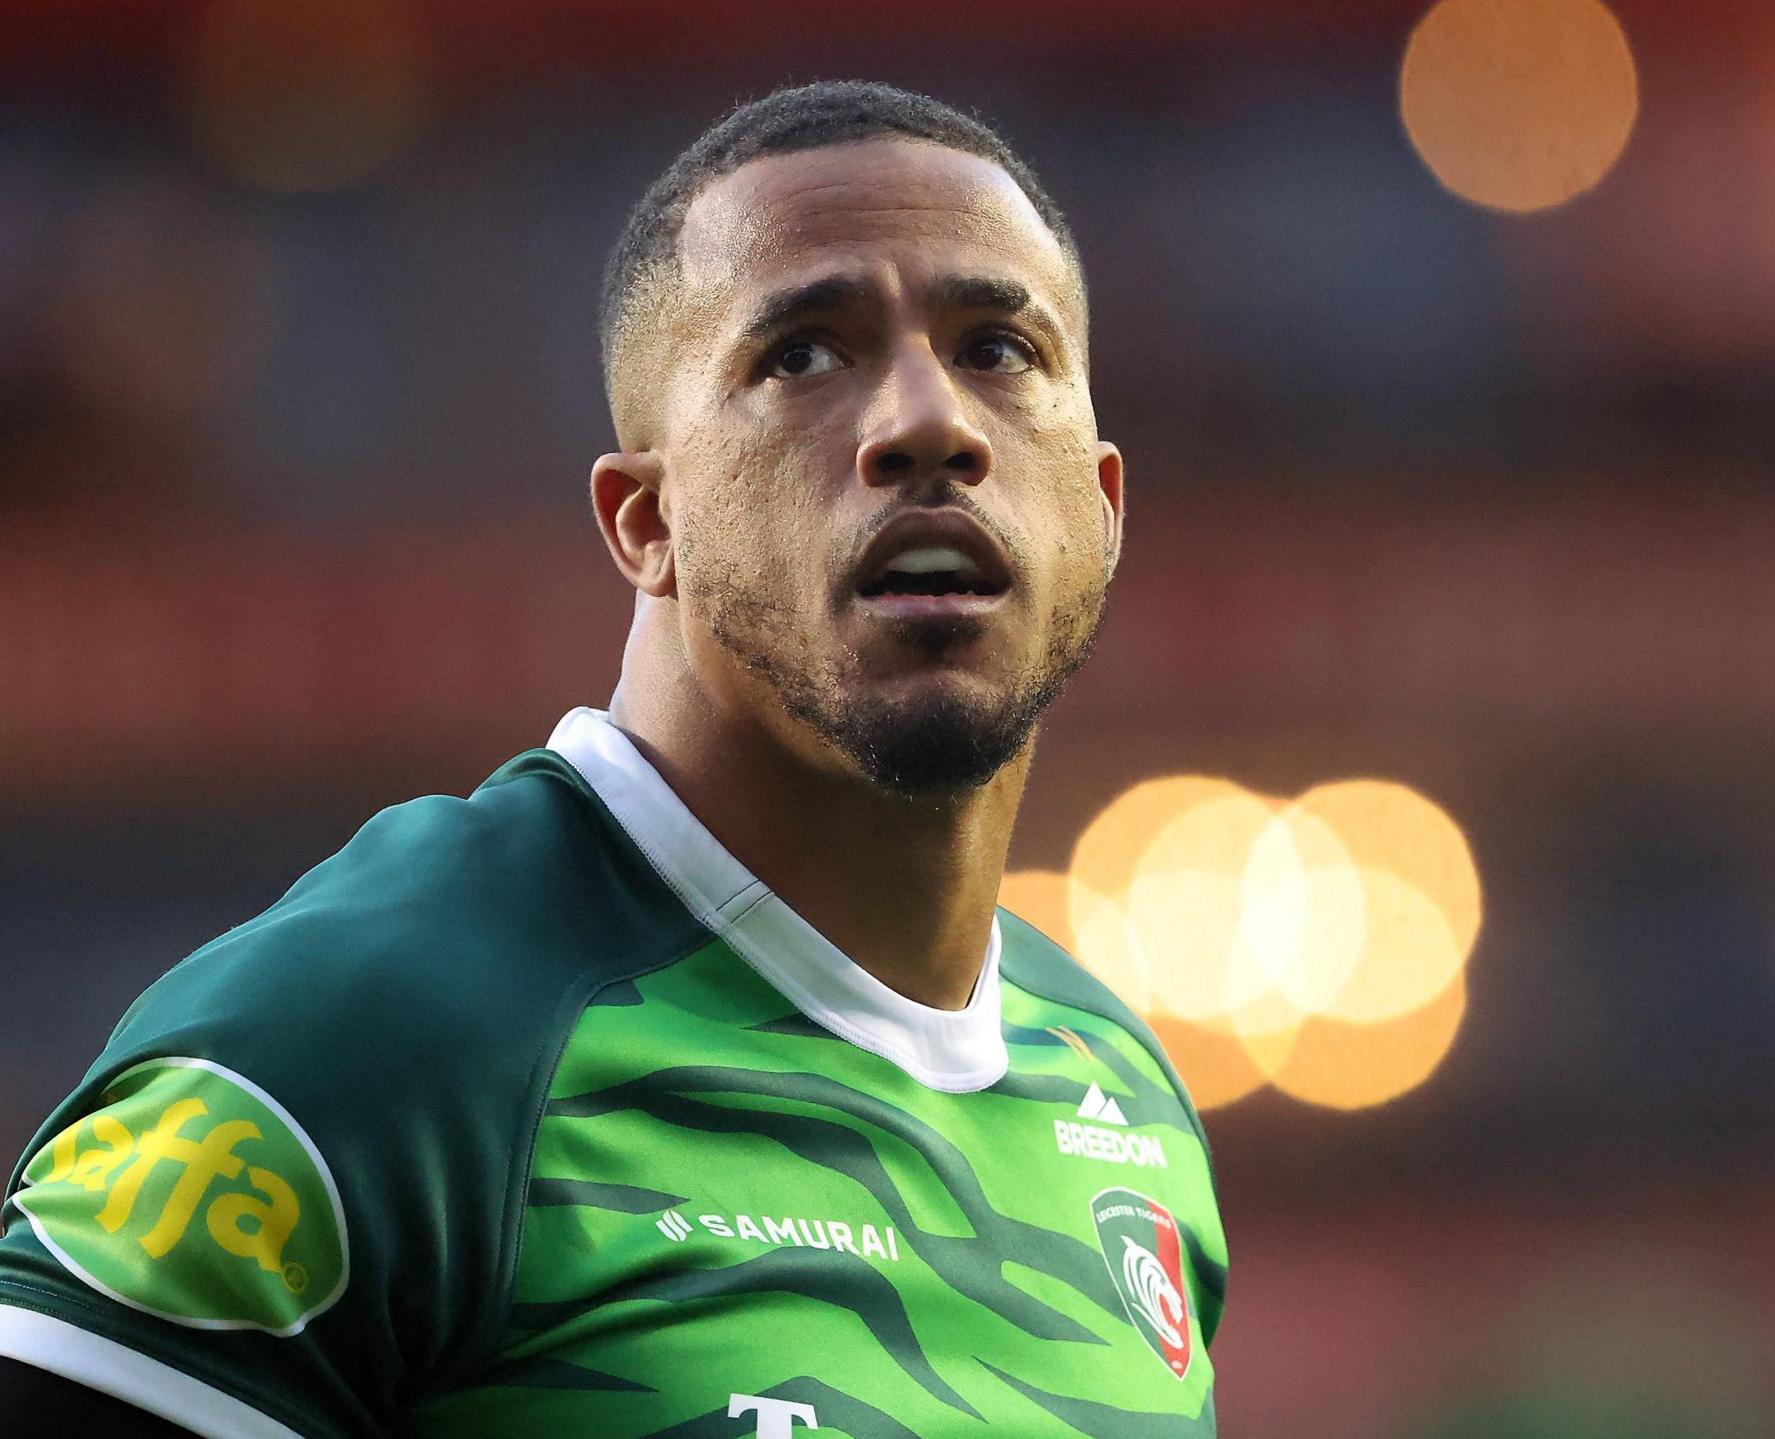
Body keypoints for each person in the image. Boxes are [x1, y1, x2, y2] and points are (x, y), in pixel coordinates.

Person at [0, 80, 1223, 1437]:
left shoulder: (1120, 1094)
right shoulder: (373, 1043)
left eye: (1000, 347)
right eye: (804, 355)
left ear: (1101, 511)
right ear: (644, 518)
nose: (927, 422)